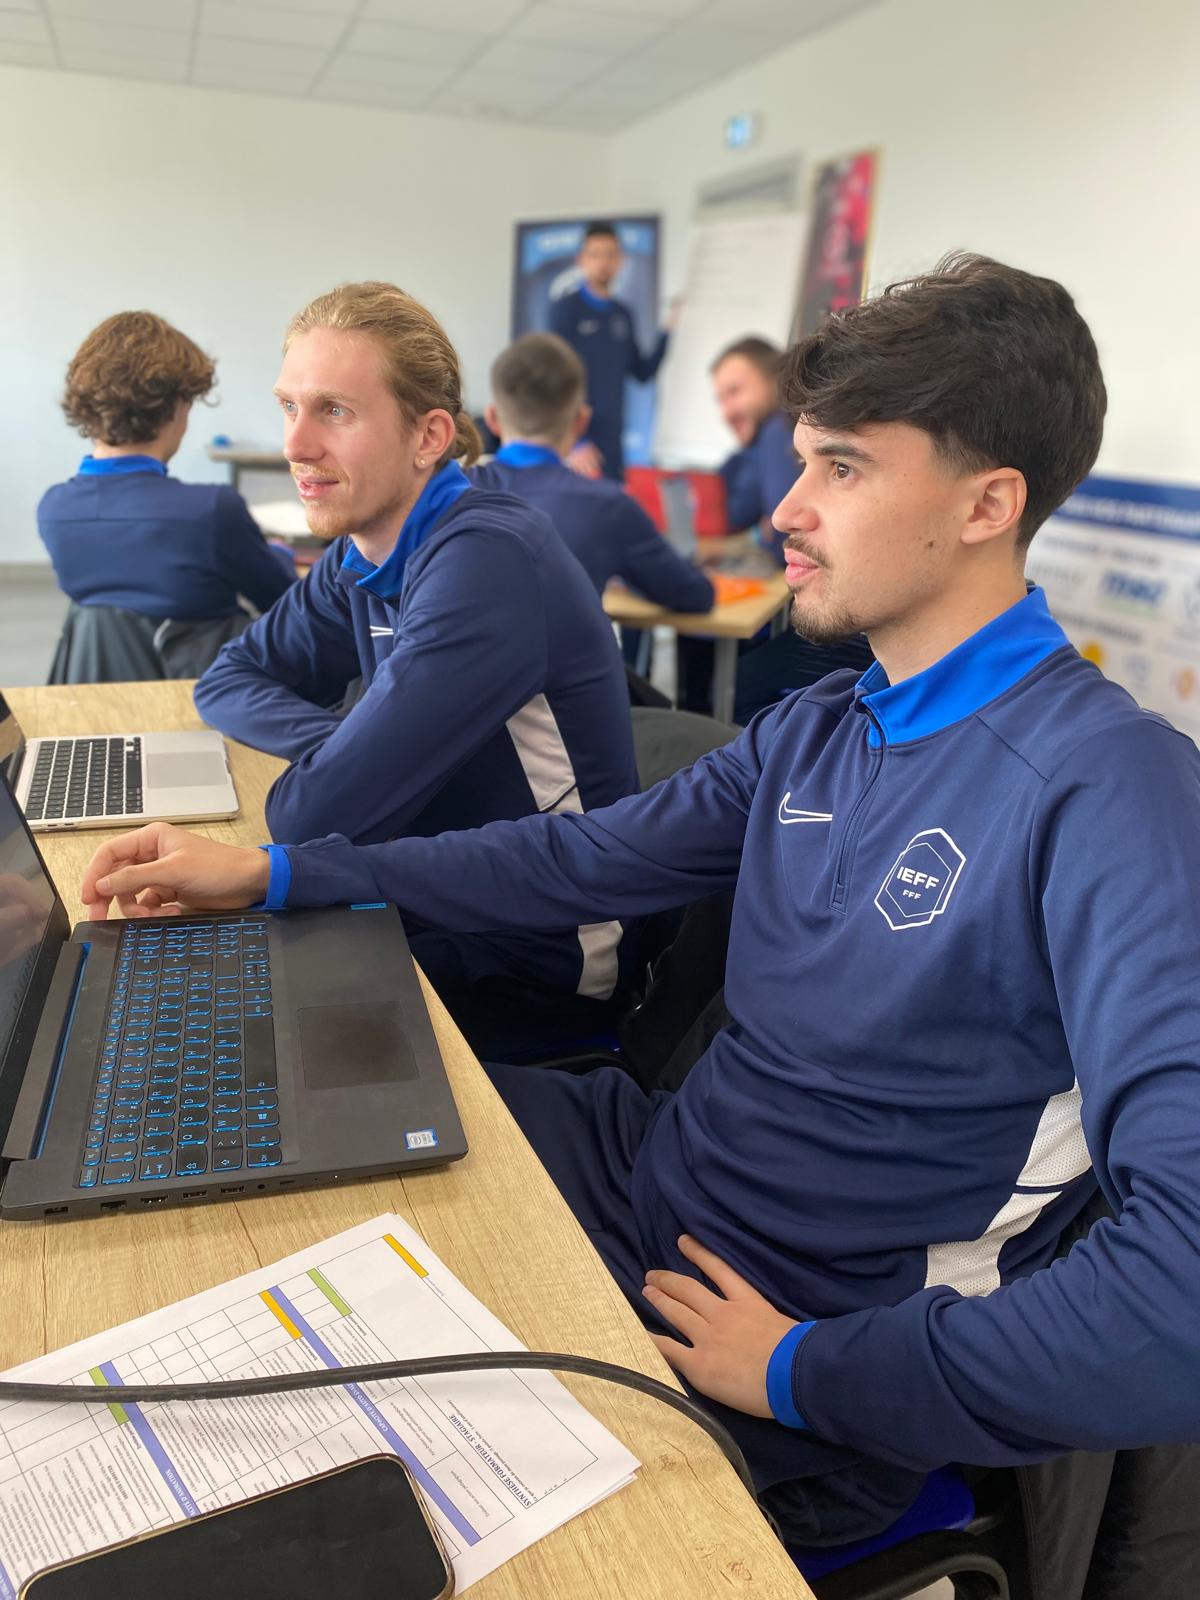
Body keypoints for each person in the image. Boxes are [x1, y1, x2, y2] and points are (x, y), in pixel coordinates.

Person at [80, 255, 1200, 1594]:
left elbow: (1179, 1283)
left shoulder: (1111, 789)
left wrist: (805, 1368)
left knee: (312, 1509)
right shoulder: (819, 725)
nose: (785, 509)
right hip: (650, 1167)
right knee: (253, 1129)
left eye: (842, 468)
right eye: (802, 460)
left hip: (801, 1338)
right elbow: (578, 856)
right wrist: (276, 877)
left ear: (986, 504)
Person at [193, 281, 639, 1052]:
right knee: (200, 982)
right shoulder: (363, 552)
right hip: (433, 891)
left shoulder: (486, 562)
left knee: (233, 1025)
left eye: (334, 411)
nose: (296, 445)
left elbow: (310, 816)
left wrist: (355, 758)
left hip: (540, 952)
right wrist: (350, 743)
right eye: (289, 407)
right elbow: (227, 680)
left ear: (429, 436)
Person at [38, 311, 294, 651]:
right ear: (177, 407)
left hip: (99, 684)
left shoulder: (54, 510)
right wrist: (280, 554)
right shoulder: (211, 511)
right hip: (203, 682)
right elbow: (285, 603)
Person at [471, 332, 713, 613]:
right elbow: (695, 595)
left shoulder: (452, 493)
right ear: (581, 421)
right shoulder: (609, 507)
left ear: (492, 419)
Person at [697, 334, 873, 721]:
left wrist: (761, 537)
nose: (727, 409)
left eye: (736, 391)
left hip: (850, 637)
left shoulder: (779, 430)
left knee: (731, 685)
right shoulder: (759, 444)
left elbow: (777, 531)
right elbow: (737, 514)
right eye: (721, 398)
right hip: (850, 626)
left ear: (772, 381)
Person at [549, 222, 672, 482]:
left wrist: (667, 333)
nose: (603, 262)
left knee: (615, 502)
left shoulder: (622, 315)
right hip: (578, 446)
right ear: (581, 260)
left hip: (613, 441)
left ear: (620, 260)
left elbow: (642, 372)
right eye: (595, 254)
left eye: (610, 254)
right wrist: (576, 441)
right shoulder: (566, 310)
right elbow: (553, 380)